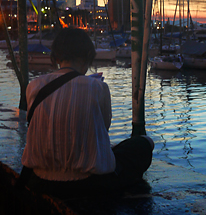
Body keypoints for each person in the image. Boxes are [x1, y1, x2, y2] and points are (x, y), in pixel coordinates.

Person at [21, 28, 154, 197]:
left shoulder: (35, 86)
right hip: (89, 182)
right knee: (144, 144)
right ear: (87, 58)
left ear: (55, 58)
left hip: (41, 177)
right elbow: (103, 128)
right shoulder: (98, 87)